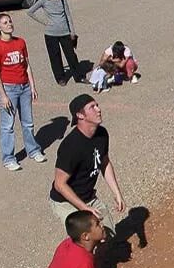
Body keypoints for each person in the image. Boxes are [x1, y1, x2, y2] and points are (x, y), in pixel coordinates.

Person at [50, 94, 125, 229]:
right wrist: (84, 208)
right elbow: (59, 184)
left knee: (108, 233)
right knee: (87, 236)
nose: (98, 109)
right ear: (80, 115)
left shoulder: (102, 134)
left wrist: (117, 193)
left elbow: (105, 162)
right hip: (65, 201)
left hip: (88, 196)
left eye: (97, 105)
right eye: (92, 107)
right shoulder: (71, 146)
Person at [0, 13, 47, 171]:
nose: (9, 24)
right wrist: (3, 95)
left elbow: (27, 65)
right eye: (5, 23)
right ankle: (9, 158)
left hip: (24, 88)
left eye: (10, 21)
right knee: (7, 126)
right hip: (9, 89)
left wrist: (33, 86)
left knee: (28, 122)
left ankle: (33, 150)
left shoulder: (21, 42)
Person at [27, 0, 84, 85]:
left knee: (71, 55)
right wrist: (45, 22)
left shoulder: (62, 0)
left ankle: (79, 76)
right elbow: (30, 12)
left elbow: (68, 16)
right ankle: (60, 78)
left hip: (65, 32)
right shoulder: (43, 0)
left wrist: (72, 32)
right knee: (55, 57)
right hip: (51, 34)